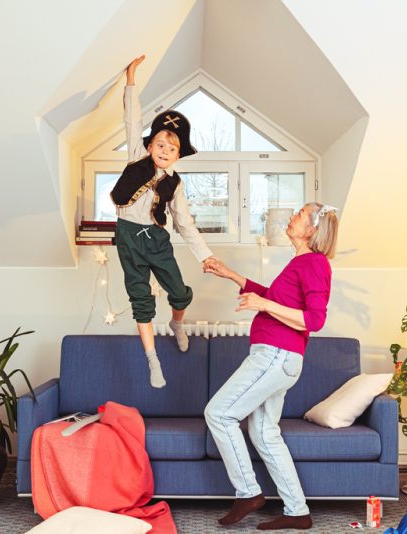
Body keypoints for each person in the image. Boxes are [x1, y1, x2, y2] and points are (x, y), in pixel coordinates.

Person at [203, 202, 339, 530]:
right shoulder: (301, 262)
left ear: (312, 229)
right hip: (277, 357)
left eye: (300, 213)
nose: (292, 216)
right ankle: (297, 511)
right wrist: (232, 275)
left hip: (276, 356)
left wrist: (263, 304)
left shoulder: (314, 263)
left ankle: (248, 492)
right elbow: (274, 299)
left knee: (219, 414)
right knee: (264, 433)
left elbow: (315, 320)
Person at [111, 55, 216, 388]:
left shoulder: (177, 184)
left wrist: (205, 255)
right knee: (140, 299)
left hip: (156, 240)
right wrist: (131, 81)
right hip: (127, 236)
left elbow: (184, 224)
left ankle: (177, 324)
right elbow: (132, 119)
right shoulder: (135, 158)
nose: (164, 150)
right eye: (159, 143)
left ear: (179, 153)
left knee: (180, 294)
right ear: (150, 144)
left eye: (172, 147)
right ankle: (152, 360)